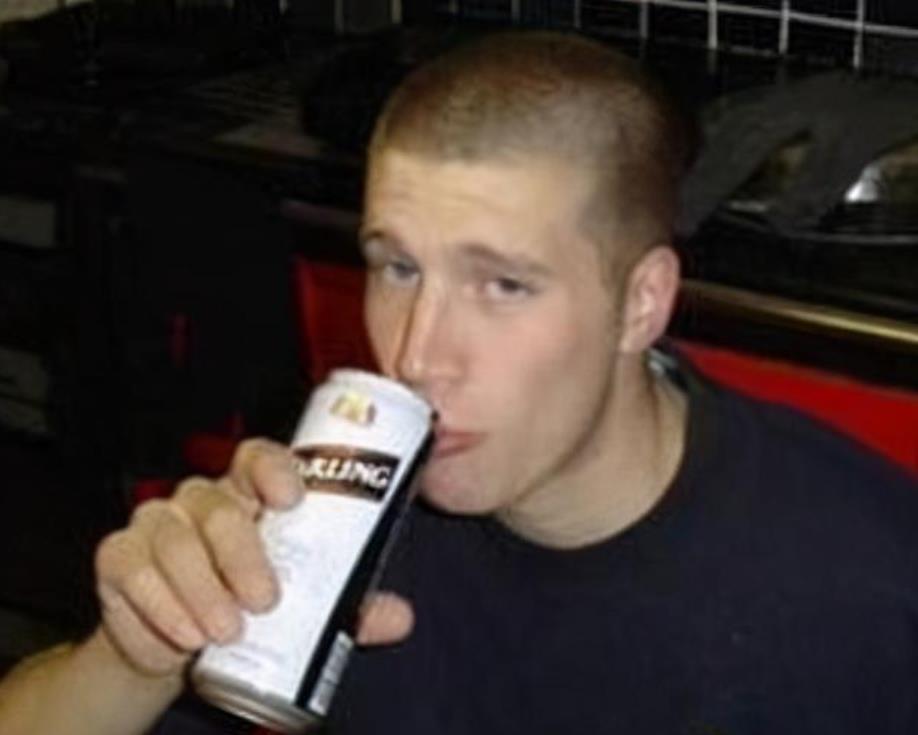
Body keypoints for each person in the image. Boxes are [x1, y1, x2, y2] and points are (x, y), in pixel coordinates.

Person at [2, 30, 917, 735]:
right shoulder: (330, 524)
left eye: (503, 284)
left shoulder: (865, 583)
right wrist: (139, 654)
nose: (416, 356)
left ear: (641, 303)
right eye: (397, 267)